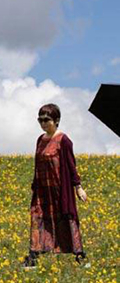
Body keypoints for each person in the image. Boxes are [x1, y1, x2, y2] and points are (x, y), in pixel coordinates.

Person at [23, 103, 89, 270]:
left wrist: (78, 187)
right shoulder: (40, 140)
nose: (43, 123)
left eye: (47, 120)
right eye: (40, 120)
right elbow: (37, 164)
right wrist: (34, 185)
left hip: (60, 190)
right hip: (42, 190)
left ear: (56, 120)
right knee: (37, 219)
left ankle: (79, 255)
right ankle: (33, 256)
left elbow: (71, 165)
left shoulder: (64, 140)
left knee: (66, 220)